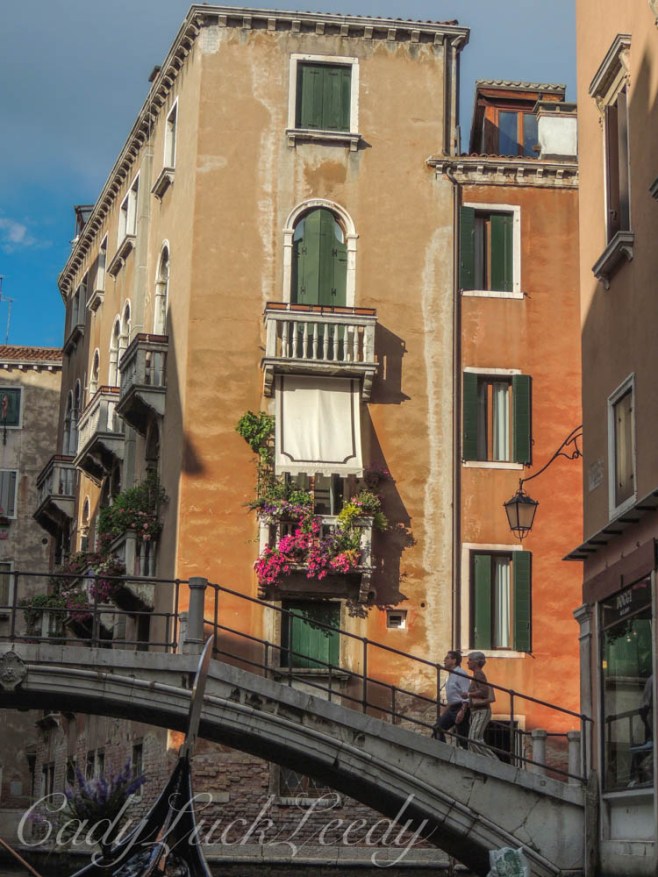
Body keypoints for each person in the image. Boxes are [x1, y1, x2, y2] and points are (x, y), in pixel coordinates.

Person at [433, 650, 470, 748]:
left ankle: (470, 757)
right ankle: (443, 752)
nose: (444, 660)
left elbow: (466, 694)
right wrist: (444, 711)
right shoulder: (450, 676)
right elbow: (451, 697)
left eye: (447, 658)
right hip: (452, 708)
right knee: (437, 728)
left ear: (454, 661)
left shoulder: (461, 673)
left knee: (463, 738)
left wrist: (462, 710)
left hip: (460, 707)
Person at [466, 651, 497, 758]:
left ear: (476, 662)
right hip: (477, 711)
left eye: (469, 660)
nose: (467, 662)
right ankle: (477, 761)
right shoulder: (476, 674)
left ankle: (494, 761)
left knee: (475, 739)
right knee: (473, 739)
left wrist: (468, 694)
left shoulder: (479, 674)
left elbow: (483, 692)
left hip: (481, 711)